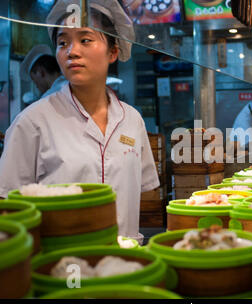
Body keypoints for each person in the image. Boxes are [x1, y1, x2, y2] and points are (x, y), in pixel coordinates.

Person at [0, 0, 159, 243]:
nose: (72, 51)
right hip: (63, 265)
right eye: (63, 42)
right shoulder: (32, 121)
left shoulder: (132, 120)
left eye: (85, 40)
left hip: (125, 262)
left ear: (113, 51)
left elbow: (143, 191)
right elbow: (7, 203)